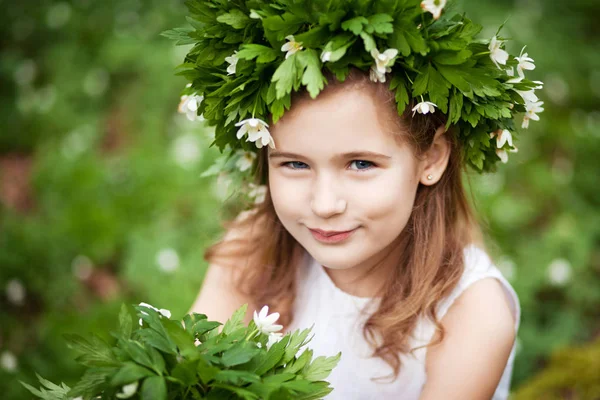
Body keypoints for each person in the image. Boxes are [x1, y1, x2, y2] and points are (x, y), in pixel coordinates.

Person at [176, 1, 542, 398]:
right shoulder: (254, 246)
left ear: (432, 157)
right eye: (295, 164)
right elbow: (197, 378)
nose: (324, 204)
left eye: (361, 164)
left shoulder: (472, 313)